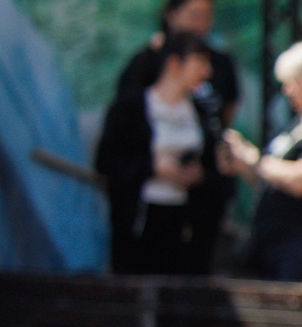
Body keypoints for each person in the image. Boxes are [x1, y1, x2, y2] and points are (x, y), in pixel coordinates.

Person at [94, 31, 233, 276]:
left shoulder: (203, 113)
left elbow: (220, 171)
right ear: (173, 63)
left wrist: (199, 175)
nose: (206, 72)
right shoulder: (132, 107)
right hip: (140, 221)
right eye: (199, 62)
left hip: (184, 222)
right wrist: (151, 167)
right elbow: (106, 162)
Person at [225, 35, 302, 282]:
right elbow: (271, 179)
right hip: (272, 240)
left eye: (294, 82)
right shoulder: (298, 124)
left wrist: (255, 160)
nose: (287, 90)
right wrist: (244, 164)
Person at [115, 0, 240, 125]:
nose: (200, 23)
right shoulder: (146, 61)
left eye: (206, 16)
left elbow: (228, 108)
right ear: (171, 14)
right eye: (194, 15)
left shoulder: (222, 62)